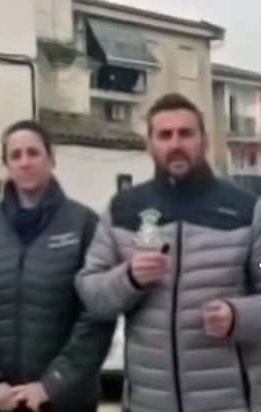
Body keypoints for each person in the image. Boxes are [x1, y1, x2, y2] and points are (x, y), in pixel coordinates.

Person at [77, 92, 261, 412]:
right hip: (148, 402)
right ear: (149, 145)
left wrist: (237, 316)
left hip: (229, 402)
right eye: (165, 134)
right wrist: (130, 278)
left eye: (186, 133)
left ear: (203, 140)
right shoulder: (123, 210)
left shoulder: (247, 210)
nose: (176, 143)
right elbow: (91, 294)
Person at [0, 120, 114, 412]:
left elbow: (98, 314)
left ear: (51, 159)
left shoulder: (84, 225)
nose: (25, 162)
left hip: (64, 401)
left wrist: (51, 385)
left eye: (33, 153)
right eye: (16, 155)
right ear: (6, 166)